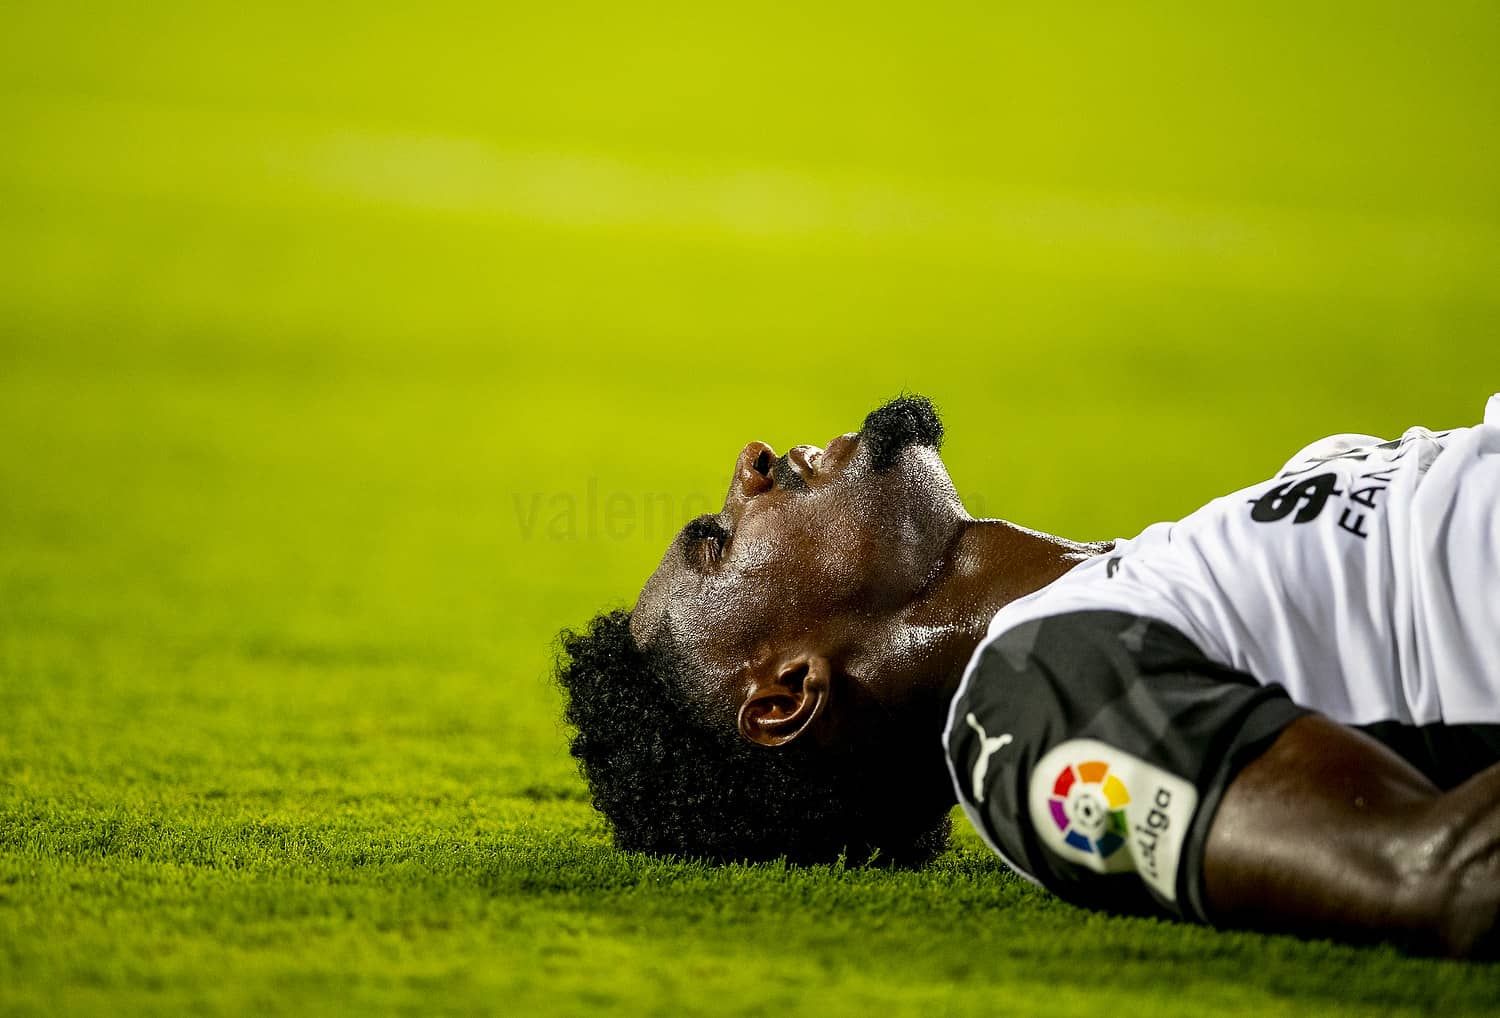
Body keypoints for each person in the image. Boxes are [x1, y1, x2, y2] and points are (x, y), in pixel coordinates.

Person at [555, 394, 1500, 956]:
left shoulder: (1134, 581)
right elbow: (1445, 877)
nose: (750, 464)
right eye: (719, 541)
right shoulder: (1032, 718)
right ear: (789, 695)